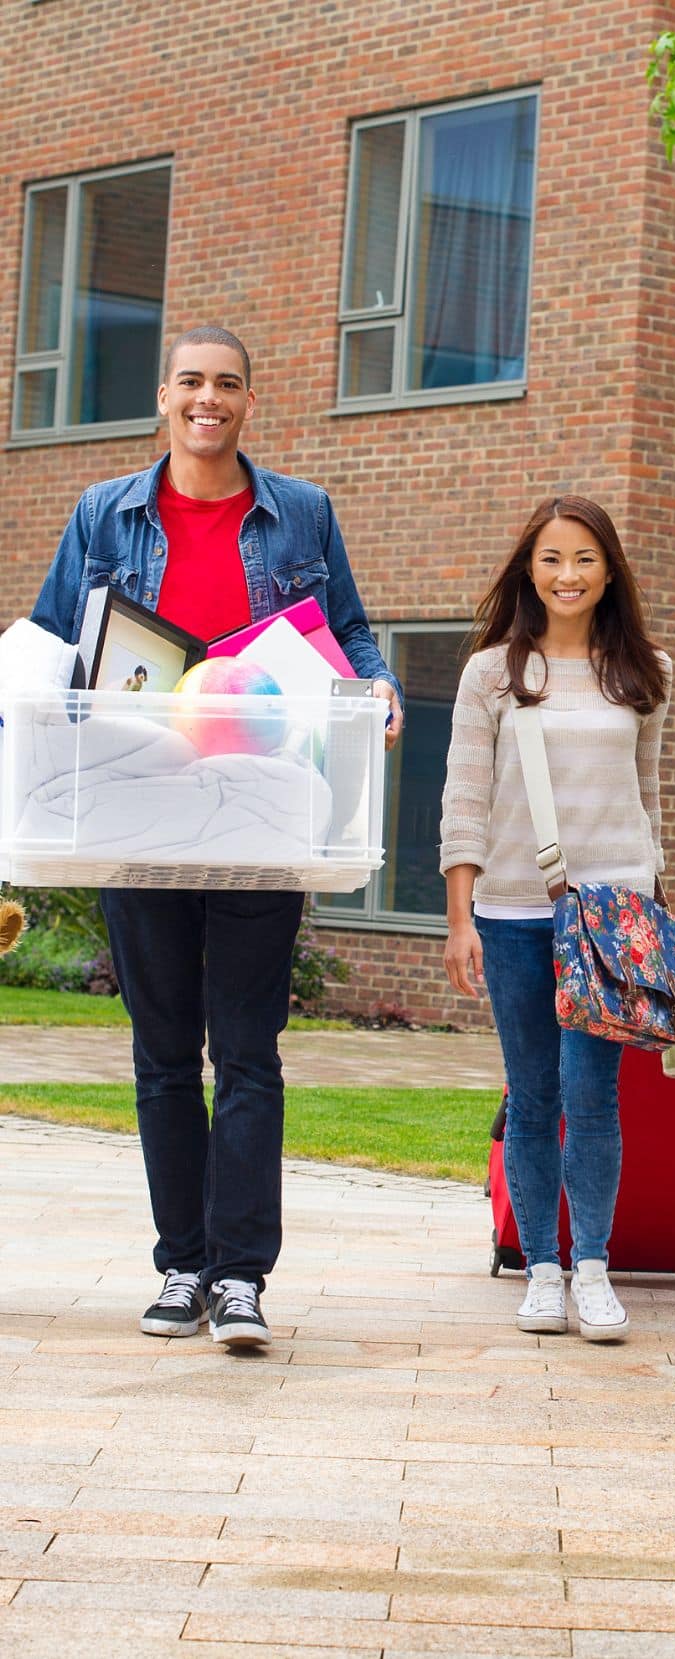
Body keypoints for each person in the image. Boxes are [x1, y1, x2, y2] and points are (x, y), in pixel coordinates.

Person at [33, 325, 404, 1349]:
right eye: (191, 382)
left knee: (247, 1052)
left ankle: (241, 1277)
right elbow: (55, 645)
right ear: (164, 396)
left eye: (228, 384)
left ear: (248, 400)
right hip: (137, 813)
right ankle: (181, 1266)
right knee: (161, 1055)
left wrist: (376, 688)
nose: (209, 398)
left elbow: (355, 635)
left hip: (261, 811)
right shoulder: (103, 513)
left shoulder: (300, 515)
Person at [440, 496, 670, 1341]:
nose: (566, 575)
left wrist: (653, 897)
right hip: (509, 910)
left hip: (613, 914)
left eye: (582, 559)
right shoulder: (490, 674)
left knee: (592, 1094)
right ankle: (541, 1267)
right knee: (533, 1096)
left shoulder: (644, 671)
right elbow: (463, 800)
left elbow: (644, 798)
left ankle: (596, 1268)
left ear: (608, 570)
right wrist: (459, 915)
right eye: (550, 559)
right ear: (527, 571)